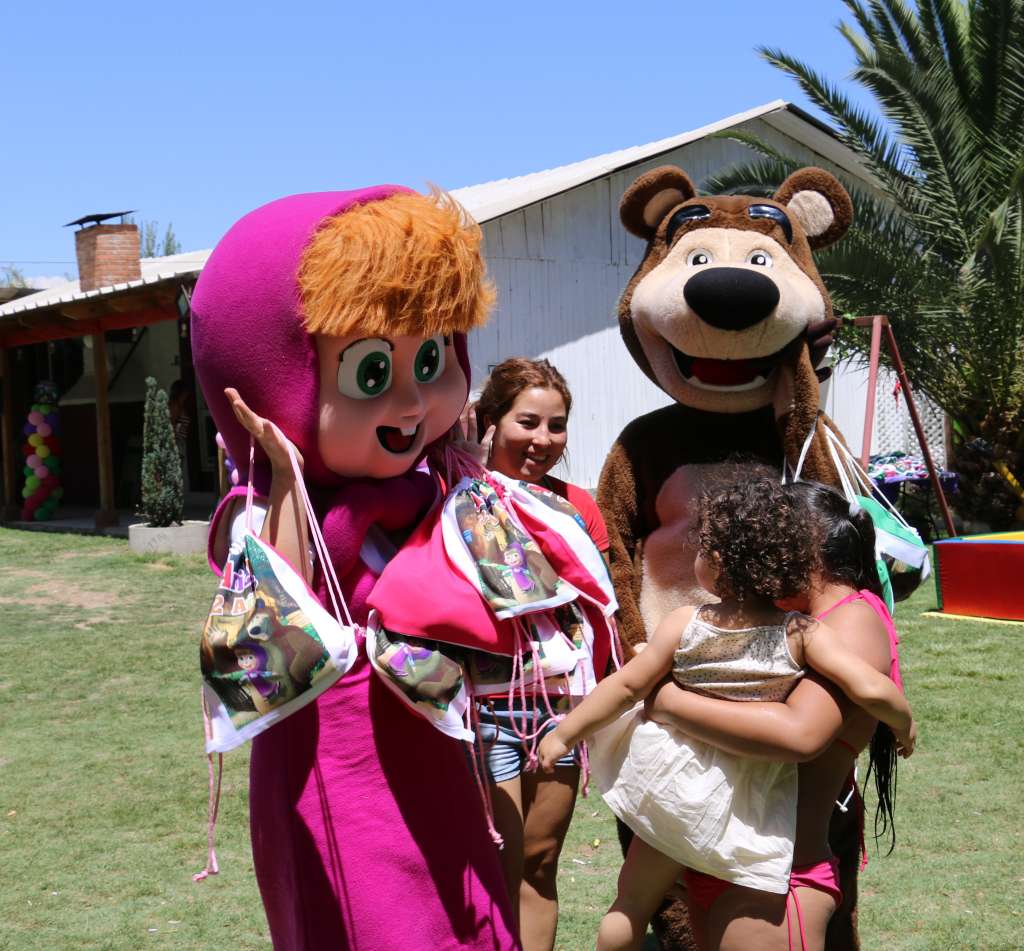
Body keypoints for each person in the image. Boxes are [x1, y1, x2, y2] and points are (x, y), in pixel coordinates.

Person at [191, 187, 519, 950]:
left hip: (434, 758)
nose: (411, 400)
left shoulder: (438, 489)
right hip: (333, 778)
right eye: (372, 372)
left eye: (431, 359)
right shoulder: (257, 515)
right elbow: (273, 645)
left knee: (462, 917)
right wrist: (282, 475)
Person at [537, 478, 915, 951]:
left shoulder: (840, 619)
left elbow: (799, 735)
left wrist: (663, 702)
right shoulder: (799, 631)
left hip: (770, 873)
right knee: (631, 904)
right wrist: (903, 721)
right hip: (726, 855)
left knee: (629, 905)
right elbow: (871, 691)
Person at [468, 357, 609, 951]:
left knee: (541, 860)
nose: (543, 440)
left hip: (561, 709)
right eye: (527, 422)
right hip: (484, 709)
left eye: (556, 425)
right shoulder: (453, 497)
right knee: (492, 865)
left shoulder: (577, 506)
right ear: (490, 422)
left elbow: (600, 607)